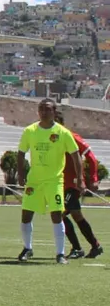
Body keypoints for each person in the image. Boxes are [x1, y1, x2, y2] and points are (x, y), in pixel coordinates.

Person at [16, 98, 80, 264]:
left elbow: (75, 155)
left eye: (48, 109)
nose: (44, 112)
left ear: (54, 112)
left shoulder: (63, 133)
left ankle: (60, 253)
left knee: (56, 215)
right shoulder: (30, 131)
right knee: (26, 214)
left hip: (54, 181)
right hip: (34, 181)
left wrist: (80, 178)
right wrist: (21, 174)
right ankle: (27, 248)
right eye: (41, 109)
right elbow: (21, 153)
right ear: (38, 112)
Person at [55, 110, 103, 260]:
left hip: (73, 184)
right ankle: (95, 246)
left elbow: (91, 156)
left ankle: (77, 248)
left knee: (60, 214)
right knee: (76, 215)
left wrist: (93, 178)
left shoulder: (72, 136)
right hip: (59, 184)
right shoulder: (51, 139)